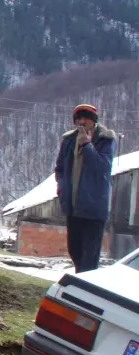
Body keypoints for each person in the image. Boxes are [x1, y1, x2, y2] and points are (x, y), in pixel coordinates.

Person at [54, 103, 116, 272]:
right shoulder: (68, 140)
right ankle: (78, 283)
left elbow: (102, 167)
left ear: (93, 121)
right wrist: (62, 189)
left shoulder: (105, 139)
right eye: (78, 119)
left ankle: (84, 289)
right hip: (73, 207)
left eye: (85, 118)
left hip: (93, 209)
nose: (81, 122)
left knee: (90, 257)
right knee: (75, 250)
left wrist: (87, 146)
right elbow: (60, 169)